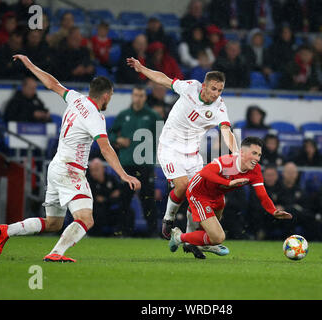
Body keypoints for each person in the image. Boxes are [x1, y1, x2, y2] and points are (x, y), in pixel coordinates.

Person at [0, 54, 140, 262]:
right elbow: (106, 148)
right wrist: (124, 175)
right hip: (70, 171)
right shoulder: (95, 116)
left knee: (53, 223)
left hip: (55, 168)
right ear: (106, 96)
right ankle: (56, 254)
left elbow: (52, 84)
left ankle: (7, 230)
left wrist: (30, 64)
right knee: (86, 219)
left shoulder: (76, 98)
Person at [126, 57, 239, 257]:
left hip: (192, 154)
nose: (216, 94)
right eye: (213, 89)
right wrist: (142, 68)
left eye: (220, 90)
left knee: (201, 196)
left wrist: (236, 153)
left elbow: (226, 131)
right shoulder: (190, 88)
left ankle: (190, 238)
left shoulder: (219, 107)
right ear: (204, 86)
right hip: (169, 148)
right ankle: (168, 219)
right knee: (183, 186)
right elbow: (164, 79)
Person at [168, 137, 292, 257]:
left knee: (211, 234)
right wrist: (227, 183)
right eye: (254, 153)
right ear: (242, 153)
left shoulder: (255, 170)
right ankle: (178, 237)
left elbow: (262, 195)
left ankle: (201, 243)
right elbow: (205, 172)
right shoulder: (228, 162)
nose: (257, 158)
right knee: (218, 237)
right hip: (199, 193)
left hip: (217, 195)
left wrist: (273, 211)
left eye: (259, 155)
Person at [108, 85, 162, 237]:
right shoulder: (124, 115)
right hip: (126, 163)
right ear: (132, 96)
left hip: (145, 163)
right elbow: (110, 133)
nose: (138, 98)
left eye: (141, 95)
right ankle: (123, 231)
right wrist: (117, 139)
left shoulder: (153, 116)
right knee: (124, 198)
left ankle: (153, 231)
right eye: (136, 95)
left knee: (148, 199)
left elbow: (163, 135)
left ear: (145, 98)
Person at [86, 158, 124, 237]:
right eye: (92, 170)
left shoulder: (111, 179)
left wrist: (105, 199)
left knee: (127, 210)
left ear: (103, 169)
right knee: (96, 211)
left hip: (111, 209)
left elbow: (119, 193)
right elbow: (95, 199)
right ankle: (94, 235)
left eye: (96, 170)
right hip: (97, 210)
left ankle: (122, 234)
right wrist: (110, 197)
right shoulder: (89, 182)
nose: (94, 173)